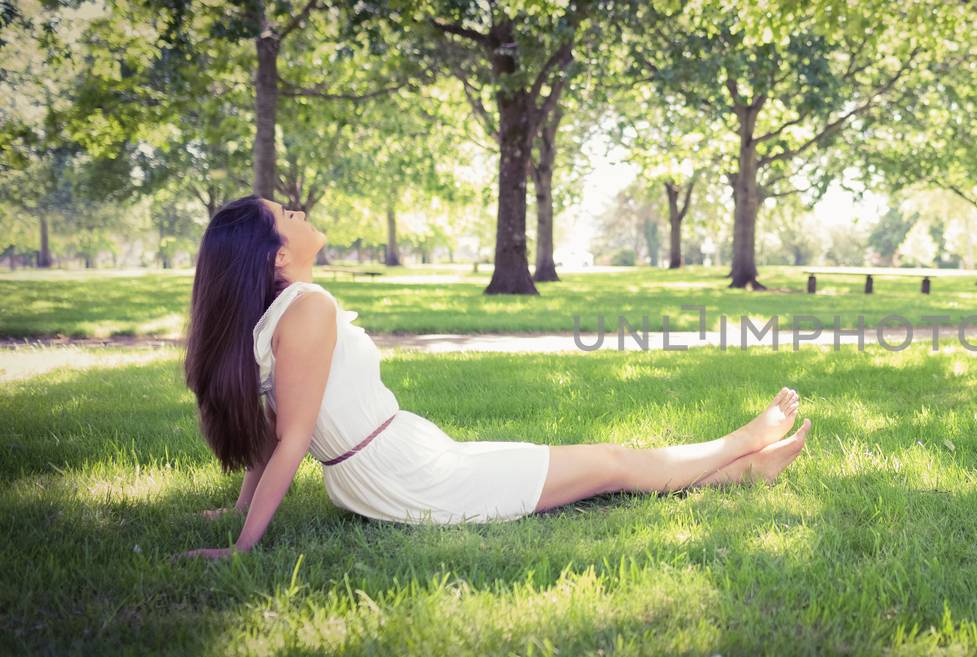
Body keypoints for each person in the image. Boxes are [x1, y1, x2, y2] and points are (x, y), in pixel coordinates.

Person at [180, 196, 810, 559]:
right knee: (612, 462)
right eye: (284, 214)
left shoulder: (279, 317)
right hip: (409, 478)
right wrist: (243, 547)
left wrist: (235, 511)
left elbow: (268, 429)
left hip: (406, 461)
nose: (297, 209)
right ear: (279, 255)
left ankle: (743, 471)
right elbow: (289, 438)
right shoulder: (307, 308)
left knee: (592, 475)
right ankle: (740, 443)